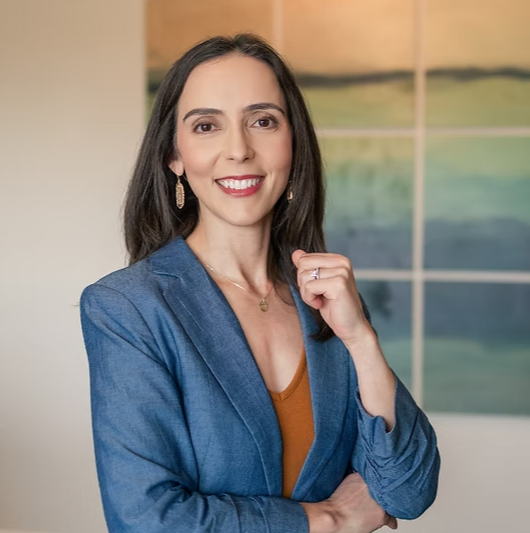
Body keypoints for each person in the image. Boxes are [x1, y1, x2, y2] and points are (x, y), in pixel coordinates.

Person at [80, 33, 440, 533]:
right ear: (174, 156)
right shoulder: (127, 308)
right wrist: (330, 520)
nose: (239, 150)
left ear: (293, 143)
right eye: (206, 126)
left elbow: (407, 491)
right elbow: (147, 520)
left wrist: (360, 338)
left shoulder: (327, 298)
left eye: (263, 121)